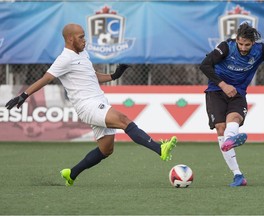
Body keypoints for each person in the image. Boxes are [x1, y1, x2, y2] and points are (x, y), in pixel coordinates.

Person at [5, 23, 177, 186]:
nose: (84, 40)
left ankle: (71, 174)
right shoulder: (64, 59)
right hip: (87, 106)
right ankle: (159, 148)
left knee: (106, 150)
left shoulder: (82, 54)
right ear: (70, 39)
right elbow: (46, 78)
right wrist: (24, 95)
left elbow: (92, 75)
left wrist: (114, 76)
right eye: (81, 37)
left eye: (84, 37)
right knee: (124, 120)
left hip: (99, 101)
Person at [199, 22, 264, 187]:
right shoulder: (226, 47)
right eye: (241, 43)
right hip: (216, 91)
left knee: (234, 120)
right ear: (237, 40)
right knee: (220, 127)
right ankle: (238, 175)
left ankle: (230, 139)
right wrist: (223, 85)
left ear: (253, 42)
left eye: (247, 44)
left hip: (238, 93)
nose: (244, 47)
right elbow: (204, 65)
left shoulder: (260, 50)